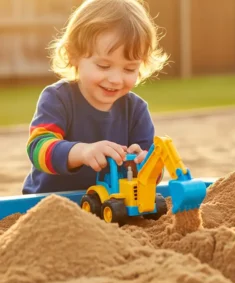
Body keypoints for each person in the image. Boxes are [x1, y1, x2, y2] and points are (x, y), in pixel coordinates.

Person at [22, 0, 168, 194]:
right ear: (73, 55)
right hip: (51, 203)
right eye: (104, 66)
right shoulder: (57, 99)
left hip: (113, 202)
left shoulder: (136, 110)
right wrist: (82, 152)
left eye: (129, 68)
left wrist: (145, 163)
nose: (116, 79)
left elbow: (154, 172)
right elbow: (38, 149)